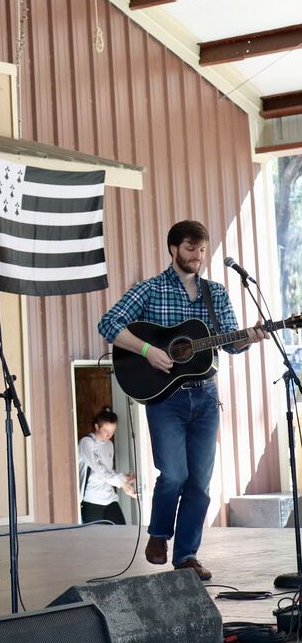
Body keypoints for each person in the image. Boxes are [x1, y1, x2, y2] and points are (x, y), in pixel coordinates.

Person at [98, 220, 267, 581]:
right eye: (191, 249)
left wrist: (251, 337)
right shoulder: (150, 289)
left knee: (199, 483)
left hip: (206, 397)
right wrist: (149, 351)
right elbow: (109, 323)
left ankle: (187, 555)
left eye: (202, 250)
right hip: (165, 399)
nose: (197, 256)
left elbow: (229, 344)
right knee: (173, 475)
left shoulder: (215, 293)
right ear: (174, 249)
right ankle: (159, 535)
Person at [78, 406, 136, 525]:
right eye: (106, 430)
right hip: (92, 499)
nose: (109, 435)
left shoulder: (109, 444)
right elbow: (101, 470)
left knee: (121, 534)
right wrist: (123, 484)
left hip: (110, 498)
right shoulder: (87, 442)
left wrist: (124, 478)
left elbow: (109, 471)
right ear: (96, 427)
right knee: (96, 541)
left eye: (112, 431)